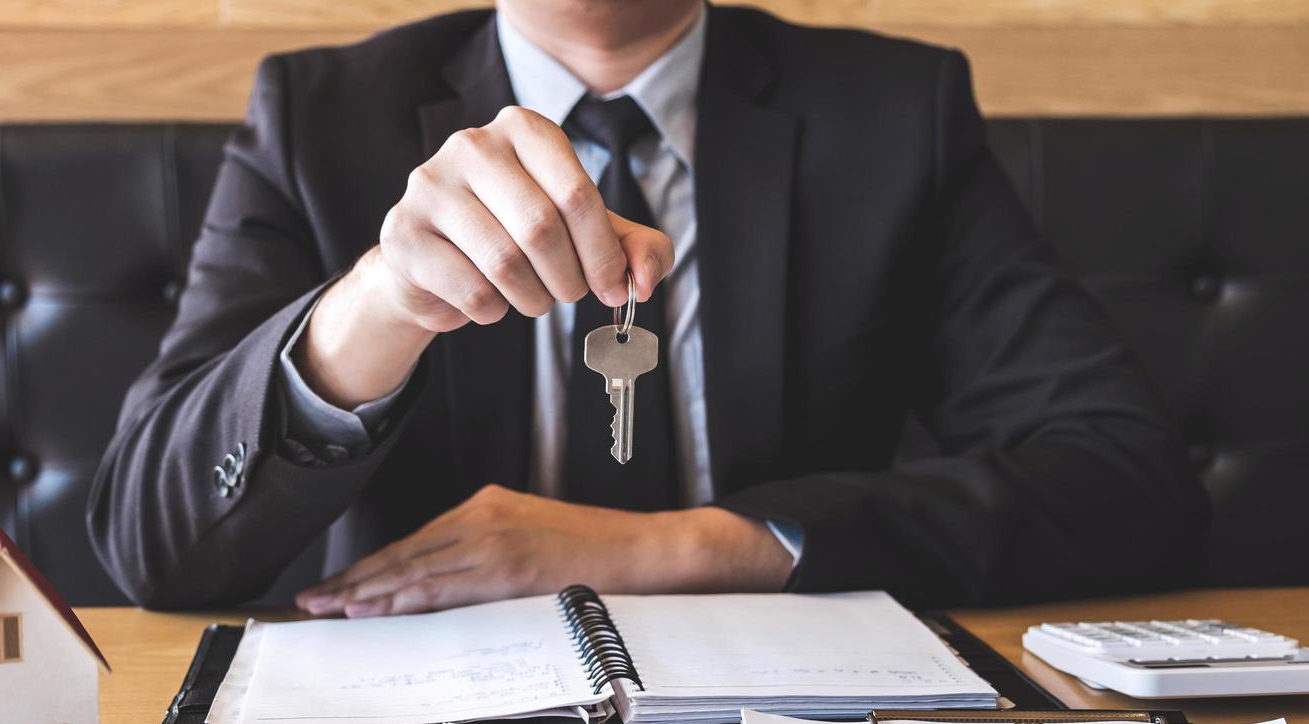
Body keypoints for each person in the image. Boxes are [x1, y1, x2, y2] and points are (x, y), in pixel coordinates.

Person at [87, 0, 1208, 616]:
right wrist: (379, 301)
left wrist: (680, 547)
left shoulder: (894, 112)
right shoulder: (319, 113)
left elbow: (1126, 482)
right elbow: (157, 550)